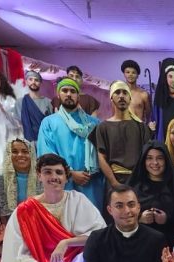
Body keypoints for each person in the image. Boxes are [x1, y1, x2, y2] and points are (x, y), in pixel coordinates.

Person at [0, 153, 106, 262]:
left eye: (59, 172)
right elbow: (20, 254)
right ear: (39, 176)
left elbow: (100, 235)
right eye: (48, 172)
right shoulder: (25, 211)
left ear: (66, 178)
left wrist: (66, 242)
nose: (54, 177)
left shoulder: (77, 200)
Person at [37, 78, 104, 208]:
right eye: (65, 90)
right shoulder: (49, 123)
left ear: (78, 95)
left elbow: (102, 153)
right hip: (63, 183)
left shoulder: (93, 123)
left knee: (92, 218)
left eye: (73, 91)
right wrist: (71, 173)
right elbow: (46, 154)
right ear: (58, 94)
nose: (68, 94)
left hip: (91, 183)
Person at [90, 81, 153, 189]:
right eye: (117, 92)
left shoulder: (141, 127)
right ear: (111, 98)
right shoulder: (103, 127)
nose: (121, 96)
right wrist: (114, 183)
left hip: (139, 182)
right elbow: (101, 158)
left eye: (125, 93)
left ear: (130, 98)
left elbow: (148, 156)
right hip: (114, 182)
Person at [128, 141, 174, 248]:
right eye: (149, 158)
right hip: (139, 245)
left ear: (166, 160)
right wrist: (139, 219)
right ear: (143, 161)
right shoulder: (134, 189)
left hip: (170, 244)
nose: (155, 162)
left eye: (160, 158)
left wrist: (167, 219)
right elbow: (121, 216)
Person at [0, 138, 41, 216]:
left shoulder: (41, 176)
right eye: (15, 152)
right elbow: (1, 210)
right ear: (8, 155)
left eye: (25, 151)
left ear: (32, 154)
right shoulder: (0, 178)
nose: (20, 155)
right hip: (9, 220)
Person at [19, 70, 52, 142]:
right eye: (30, 79)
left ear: (40, 83)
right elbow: (17, 123)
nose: (33, 82)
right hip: (27, 141)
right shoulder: (20, 102)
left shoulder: (48, 101)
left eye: (36, 80)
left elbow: (51, 123)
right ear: (26, 81)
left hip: (45, 140)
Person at [120, 60, 152, 125]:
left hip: (139, 128)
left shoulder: (144, 95)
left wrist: (146, 128)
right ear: (124, 74)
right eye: (128, 72)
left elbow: (149, 116)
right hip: (123, 128)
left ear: (137, 75)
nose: (130, 75)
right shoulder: (119, 95)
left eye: (133, 72)